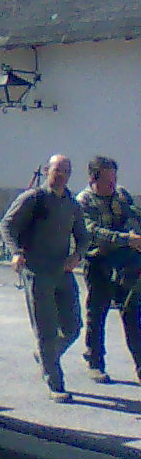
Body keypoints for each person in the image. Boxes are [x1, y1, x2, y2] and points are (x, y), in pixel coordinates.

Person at [0, 154, 87, 402]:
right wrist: (16, 253)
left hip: (62, 271)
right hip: (37, 272)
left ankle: (47, 355)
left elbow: (82, 236)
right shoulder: (34, 198)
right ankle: (55, 383)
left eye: (66, 171)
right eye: (57, 170)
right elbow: (7, 225)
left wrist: (77, 256)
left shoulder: (71, 203)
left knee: (72, 327)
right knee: (46, 329)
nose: (61, 175)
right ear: (48, 171)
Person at [75, 156, 141, 384]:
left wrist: (134, 233)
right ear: (93, 178)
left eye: (114, 179)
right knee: (97, 312)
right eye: (107, 180)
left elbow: (134, 216)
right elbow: (93, 233)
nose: (112, 185)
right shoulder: (83, 202)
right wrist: (127, 239)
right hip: (98, 263)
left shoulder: (121, 195)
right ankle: (95, 362)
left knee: (133, 313)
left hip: (124, 264)